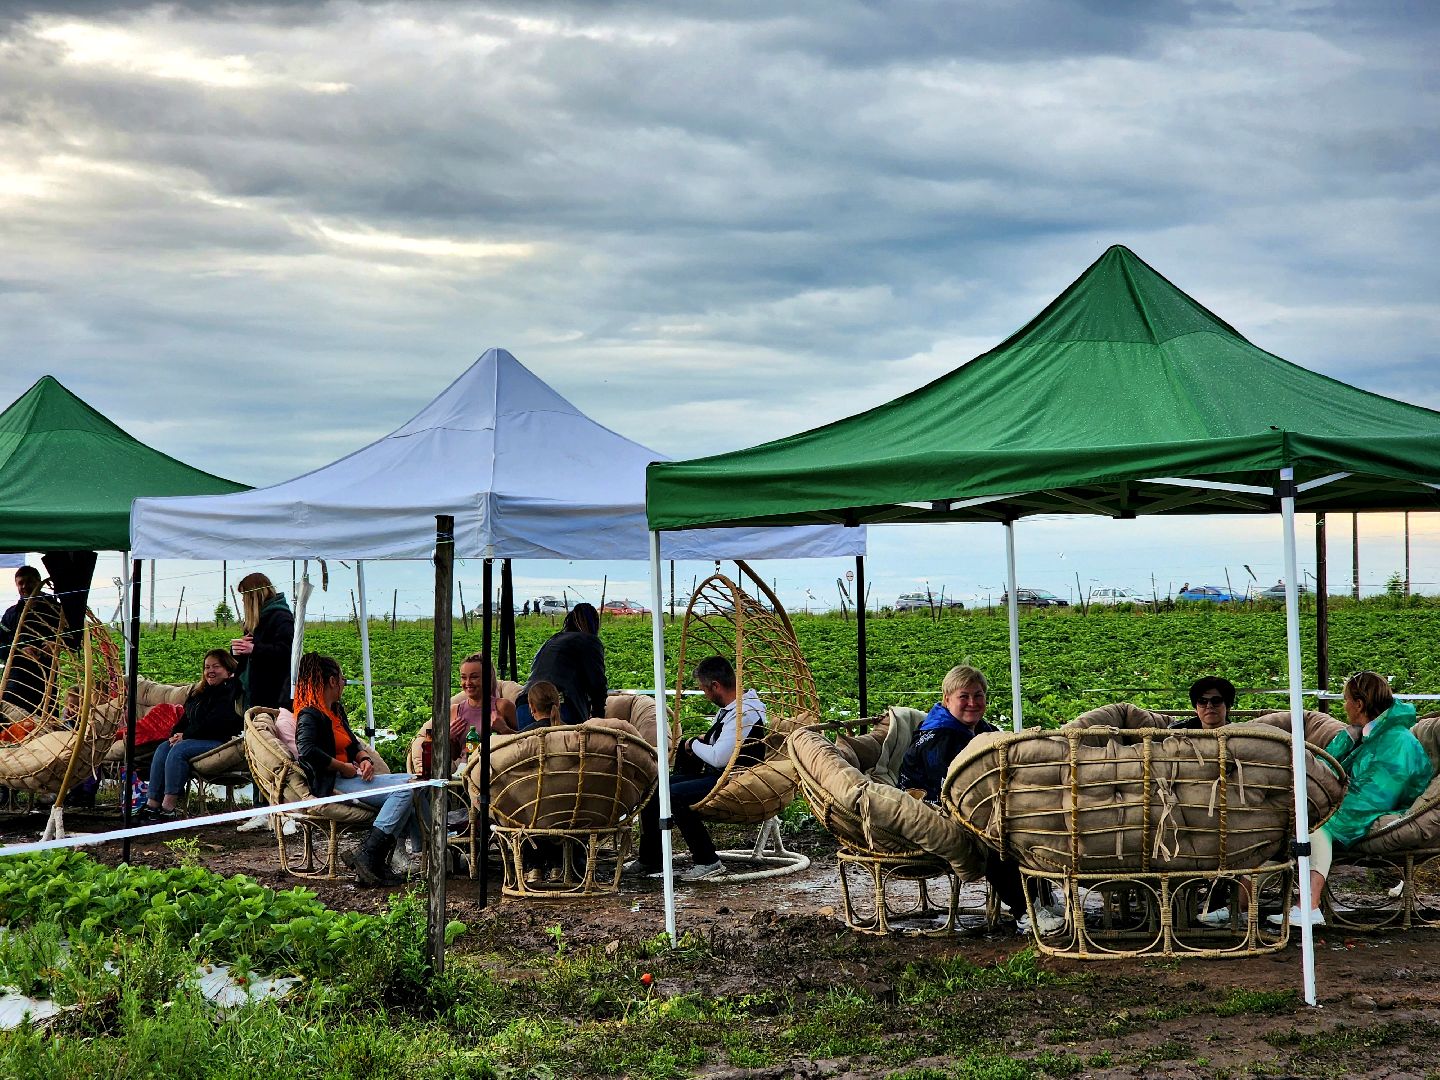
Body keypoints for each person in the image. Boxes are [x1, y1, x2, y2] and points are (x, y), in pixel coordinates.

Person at [898, 664, 1063, 936]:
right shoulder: (937, 737)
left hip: (977, 803)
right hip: (932, 808)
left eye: (978, 695)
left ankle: (1042, 899)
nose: (972, 703)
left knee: (1031, 824)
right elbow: (950, 789)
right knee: (993, 838)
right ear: (947, 699)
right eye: (963, 696)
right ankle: (1025, 911)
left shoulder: (984, 730)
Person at [1268, 671, 1432, 929]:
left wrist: (1325, 808)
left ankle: (1309, 906)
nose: (1343, 706)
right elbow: (1324, 769)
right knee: (1281, 818)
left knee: (1318, 825)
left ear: (1359, 704)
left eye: (1345, 700)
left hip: (1381, 806)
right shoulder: (1368, 735)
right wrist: (1345, 741)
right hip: (1360, 799)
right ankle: (1243, 905)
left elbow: (1377, 793)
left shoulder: (1397, 741)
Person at [630, 655, 765, 882]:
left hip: (734, 778)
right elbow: (723, 744)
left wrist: (693, 743)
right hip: (720, 774)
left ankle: (707, 860)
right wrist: (702, 741)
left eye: (704, 689)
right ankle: (651, 858)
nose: (704, 695)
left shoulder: (744, 712)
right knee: (654, 787)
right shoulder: (733, 709)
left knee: (673, 794)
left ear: (715, 686)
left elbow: (718, 757)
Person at [293, 652, 421, 886]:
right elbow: (307, 750)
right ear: (333, 681)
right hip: (334, 783)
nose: (344, 683)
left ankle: (383, 858)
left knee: (416, 781)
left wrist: (364, 759)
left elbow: (352, 743)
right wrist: (341, 766)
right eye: (342, 679)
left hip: (353, 776)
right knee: (405, 791)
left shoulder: (335, 711)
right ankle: (369, 855)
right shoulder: (309, 714)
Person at [136, 650, 244, 821]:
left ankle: (169, 807)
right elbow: (185, 718)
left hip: (220, 740)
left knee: (179, 750)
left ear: (228, 669)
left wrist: (185, 736)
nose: (210, 671)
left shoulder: (232, 691)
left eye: (216, 666)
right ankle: (152, 804)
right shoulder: (199, 692)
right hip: (194, 738)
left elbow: (217, 722)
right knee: (164, 747)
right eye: (207, 667)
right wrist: (175, 734)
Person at [233, 572, 296, 833]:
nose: (243, 603)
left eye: (244, 598)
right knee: (256, 753)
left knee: (272, 753)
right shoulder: (257, 620)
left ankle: (279, 811)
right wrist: (240, 652)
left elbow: (287, 653)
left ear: (254, 595)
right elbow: (251, 658)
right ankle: (261, 809)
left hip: (272, 697)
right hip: (256, 695)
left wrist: (254, 649)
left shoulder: (280, 616)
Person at [516, 602, 606, 731]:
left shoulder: (552, 641)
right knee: (566, 744)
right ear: (594, 624)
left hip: (526, 704)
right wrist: (599, 720)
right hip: (560, 705)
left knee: (529, 743)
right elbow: (598, 684)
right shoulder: (590, 641)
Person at [0, 566, 63, 713]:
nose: (24, 586)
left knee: (45, 722)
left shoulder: (57, 609)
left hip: (45, 681)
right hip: (15, 681)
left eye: (29, 582)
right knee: (11, 722)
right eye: (20, 583)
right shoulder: (11, 613)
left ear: (38, 582)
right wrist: (19, 650)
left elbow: (77, 637)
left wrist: (58, 643)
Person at [452, 652, 517, 743]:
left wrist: (504, 729)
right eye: (463, 677)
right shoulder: (455, 711)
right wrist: (448, 738)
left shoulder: (503, 706)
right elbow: (453, 752)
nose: (468, 682)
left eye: (474, 677)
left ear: (488, 678)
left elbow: (525, 742)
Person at [1168, 677, 1236, 731]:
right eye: (1202, 701)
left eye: (1216, 701)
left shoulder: (1239, 734)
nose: (1209, 706)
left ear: (1228, 706)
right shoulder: (1177, 734)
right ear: (1195, 708)